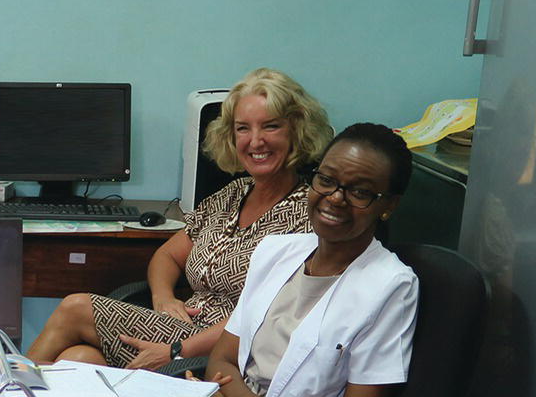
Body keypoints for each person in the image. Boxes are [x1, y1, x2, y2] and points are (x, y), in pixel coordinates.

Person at [27, 68, 332, 370]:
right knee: (78, 359)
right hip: (180, 329)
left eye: (270, 126)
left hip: (220, 349)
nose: (255, 141)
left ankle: (1, 396)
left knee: (75, 308)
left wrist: (175, 350)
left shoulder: (306, 216)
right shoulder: (232, 194)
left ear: (296, 130)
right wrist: (163, 297)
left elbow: (263, 315)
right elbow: (167, 255)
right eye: (243, 128)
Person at [205, 123, 417, 397]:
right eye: (327, 180)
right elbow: (222, 357)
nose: (336, 198)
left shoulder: (391, 285)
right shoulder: (276, 252)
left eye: (361, 192)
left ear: (389, 206)